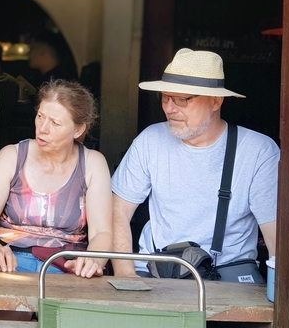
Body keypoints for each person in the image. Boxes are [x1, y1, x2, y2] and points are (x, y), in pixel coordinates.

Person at [111, 48, 279, 282]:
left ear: (215, 101)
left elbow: (276, 237)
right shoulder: (150, 140)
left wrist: (280, 299)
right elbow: (118, 211)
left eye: (182, 99)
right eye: (165, 97)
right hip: (157, 269)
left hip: (228, 274)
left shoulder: (258, 151)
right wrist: (125, 274)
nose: (170, 108)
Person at [0, 79, 112, 321]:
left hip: (65, 265)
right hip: (10, 262)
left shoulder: (93, 163)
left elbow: (102, 232)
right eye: (40, 117)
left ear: (78, 130)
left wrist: (93, 260)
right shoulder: (12, 156)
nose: (42, 128)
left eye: (55, 123)